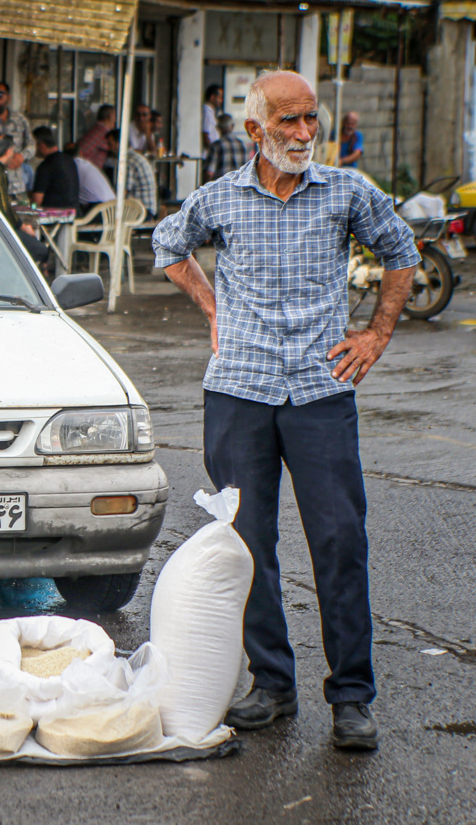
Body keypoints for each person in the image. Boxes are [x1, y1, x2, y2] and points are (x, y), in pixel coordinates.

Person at [152, 70, 418, 752]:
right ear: (254, 131)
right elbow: (167, 245)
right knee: (245, 543)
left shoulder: (346, 192)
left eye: (310, 121)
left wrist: (376, 334)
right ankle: (272, 683)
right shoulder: (220, 200)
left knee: (338, 542)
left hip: (320, 391)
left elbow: (401, 253)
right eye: (289, 122)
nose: (303, 135)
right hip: (239, 389)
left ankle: (352, 696)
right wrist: (213, 306)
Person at [0, 135, 49, 264]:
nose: (13, 155)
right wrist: (23, 226)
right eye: (13, 152)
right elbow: (3, 208)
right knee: (40, 250)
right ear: (8, 152)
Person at [104, 128, 157, 219]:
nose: (108, 148)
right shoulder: (134, 157)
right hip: (146, 209)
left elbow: (123, 191)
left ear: (118, 144)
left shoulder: (128, 161)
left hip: (141, 212)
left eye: (110, 144)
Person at [29, 126, 78, 210]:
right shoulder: (69, 160)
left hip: (54, 216)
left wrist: (28, 204)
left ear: (41, 145)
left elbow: (37, 202)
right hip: (73, 214)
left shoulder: (45, 166)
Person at [207, 113, 251, 180]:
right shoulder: (243, 145)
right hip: (238, 187)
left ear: (218, 128)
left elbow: (209, 173)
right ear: (232, 126)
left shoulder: (216, 146)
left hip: (221, 188)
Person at [76, 104, 115, 170]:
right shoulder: (102, 132)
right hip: (87, 171)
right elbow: (115, 149)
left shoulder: (96, 129)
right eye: (115, 116)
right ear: (110, 117)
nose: (115, 120)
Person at [203, 84, 223, 153]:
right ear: (212, 97)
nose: (221, 101)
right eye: (219, 98)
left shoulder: (212, 111)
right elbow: (206, 134)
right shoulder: (206, 111)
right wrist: (212, 151)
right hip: (209, 153)